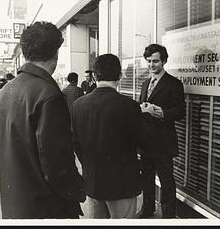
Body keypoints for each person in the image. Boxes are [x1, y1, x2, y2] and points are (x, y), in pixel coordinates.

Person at [0, 21, 85, 219]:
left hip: (15, 205)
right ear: (55, 54)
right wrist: (78, 189)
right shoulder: (48, 95)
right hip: (47, 208)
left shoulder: (3, 93)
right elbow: (56, 165)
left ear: (25, 53)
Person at [72, 54, 153, 218]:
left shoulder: (78, 104)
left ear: (94, 76)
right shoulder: (129, 105)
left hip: (93, 183)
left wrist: (90, 166)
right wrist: (146, 115)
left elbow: (76, 144)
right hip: (122, 185)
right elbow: (145, 140)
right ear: (120, 76)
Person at [138, 44, 185, 218]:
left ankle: (168, 216)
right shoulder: (145, 83)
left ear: (164, 61)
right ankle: (148, 208)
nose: (151, 65)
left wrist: (162, 112)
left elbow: (181, 111)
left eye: (155, 61)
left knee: (166, 181)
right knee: (146, 179)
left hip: (164, 142)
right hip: (146, 141)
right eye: (149, 61)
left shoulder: (174, 83)